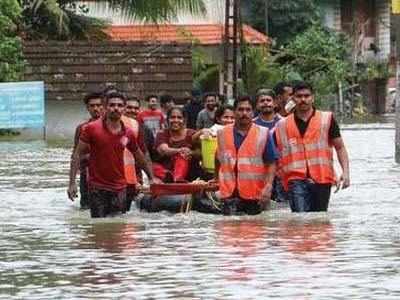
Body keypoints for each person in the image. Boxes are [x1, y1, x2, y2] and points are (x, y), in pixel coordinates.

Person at [67, 92, 156, 218]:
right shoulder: (91, 129)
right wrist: (72, 183)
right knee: (99, 226)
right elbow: (76, 155)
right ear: (105, 107)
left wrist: (151, 178)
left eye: (120, 105)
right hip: (97, 188)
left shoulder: (128, 133)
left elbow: (139, 156)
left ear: (124, 109)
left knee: (117, 225)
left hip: (120, 187)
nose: (116, 108)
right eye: (112, 105)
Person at [274, 81, 350, 213]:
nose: (303, 99)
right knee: (300, 219)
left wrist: (346, 172)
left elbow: (340, 147)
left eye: (307, 96)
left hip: (322, 178)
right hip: (295, 179)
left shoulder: (327, 119)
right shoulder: (282, 125)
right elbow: (274, 155)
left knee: (319, 220)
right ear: (293, 99)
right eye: (299, 96)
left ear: (312, 97)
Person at [215, 96, 278, 215]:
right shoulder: (222, 133)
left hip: (253, 194)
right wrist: (217, 180)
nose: (244, 113)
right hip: (229, 194)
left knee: (253, 230)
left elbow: (271, 163)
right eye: (240, 109)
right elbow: (217, 157)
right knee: (228, 231)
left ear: (253, 112)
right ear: (234, 112)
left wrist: (268, 186)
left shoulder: (263, 133)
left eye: (248, 110)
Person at [71, 92, 104, 209]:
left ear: (104, 106)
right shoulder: (82, 128)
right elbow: (76, 155)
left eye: (99, 105)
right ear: (87, 108)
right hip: (87, 175)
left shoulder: (115, 126)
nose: (96, 108)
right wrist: (72, 183)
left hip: (110, 176)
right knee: (86, 210)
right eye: (92, 106)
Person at [153, 107, 200, 182]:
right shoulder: (162, 134)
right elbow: (164, 150)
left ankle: (177, 179)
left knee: (182, 155)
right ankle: (169, 176)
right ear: (167, 119)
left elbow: (200, 153)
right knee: (152, 166)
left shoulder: (192, 134)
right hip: (165, 172)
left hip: (189, 175)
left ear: (184, 120)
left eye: (179, 117)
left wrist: (191, 153)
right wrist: (180, 150)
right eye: (172, 117)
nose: (176, 120)